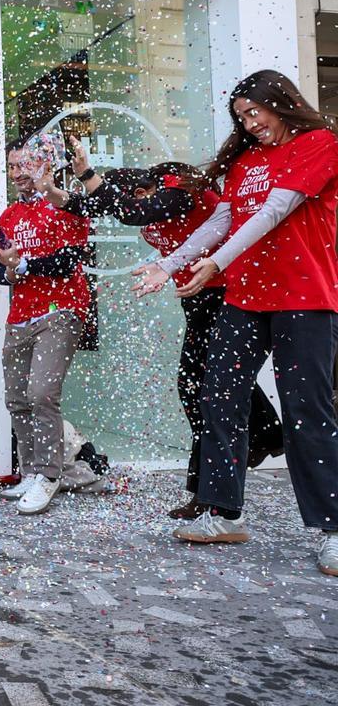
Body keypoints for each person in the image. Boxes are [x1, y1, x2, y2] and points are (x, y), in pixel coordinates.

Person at [133, 69, 338, 577]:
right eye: (241, 118)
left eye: (255, 113)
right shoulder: (245, 162)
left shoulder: (319, 144)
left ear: (282, 103)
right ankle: (222, 514)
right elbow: (223, 221)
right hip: (246, 298)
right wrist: (169, 262)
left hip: (306, 296)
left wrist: (217, 264)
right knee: (218, 395)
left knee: (305, 410)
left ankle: (333, 529)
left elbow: (274, 211)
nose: (250, 125)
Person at [42, 153, 283, 519]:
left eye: (131, 199)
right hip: (198, 296)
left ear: (144, 190)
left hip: (225, 292)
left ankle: (217, 482)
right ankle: (262, 440)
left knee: (200, 386)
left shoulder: (177, 190)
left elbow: (134, 213)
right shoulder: (142, 198)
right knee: (207, 384)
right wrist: (51, 188)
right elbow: (86, 205)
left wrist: (90, 174)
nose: (125, 208)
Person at [0, 137, 102, 516]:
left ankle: (50, 475)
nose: (18, 174)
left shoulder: (66, 204)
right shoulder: (8, 216)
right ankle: (32, 470)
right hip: (20, 315)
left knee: (41, 392)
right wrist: (7, 266)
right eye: (12, 167)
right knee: (17, 397)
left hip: (62, 310)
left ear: (46, 165)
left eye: (26, 166)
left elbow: (70, 259)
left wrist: (25, 265)